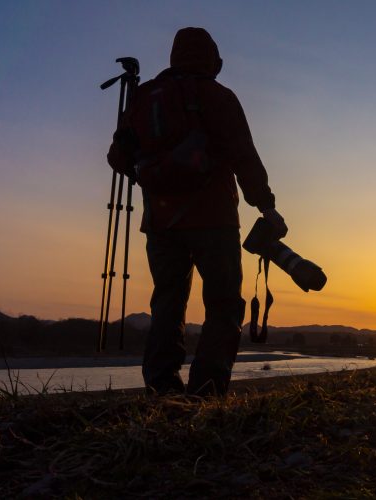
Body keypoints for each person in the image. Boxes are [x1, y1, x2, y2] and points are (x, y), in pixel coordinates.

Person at [106, 27, 287, 396]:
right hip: (215, 219)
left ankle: (161, 389)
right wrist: (266, 206)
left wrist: (156, 174)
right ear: (212, 61)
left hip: (159, 222)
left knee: (168, 303)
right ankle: (206, 390)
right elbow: (244, 157)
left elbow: (118, 158)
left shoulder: (144, 98)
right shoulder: (218, 95)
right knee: (223, 304)